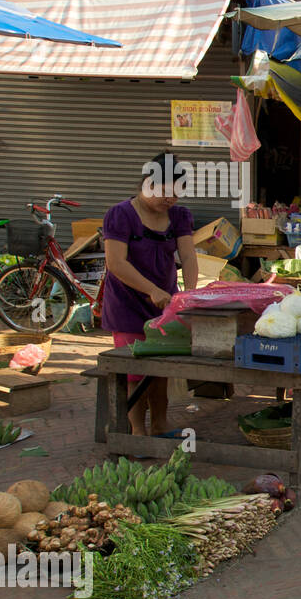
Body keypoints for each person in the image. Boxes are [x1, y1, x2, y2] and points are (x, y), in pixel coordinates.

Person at [102, 153, 198, 437]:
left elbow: (189, 257)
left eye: (175, 192)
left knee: (160, 371)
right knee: (134, 373)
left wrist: (190, 294)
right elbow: (116, 263)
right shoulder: (120, 214)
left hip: (165, 307)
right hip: (127, 305)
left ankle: (159, 426)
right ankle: (137, 432)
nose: (169, 199)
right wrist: (151, 290)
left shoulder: (180, 216)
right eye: (163, 191)